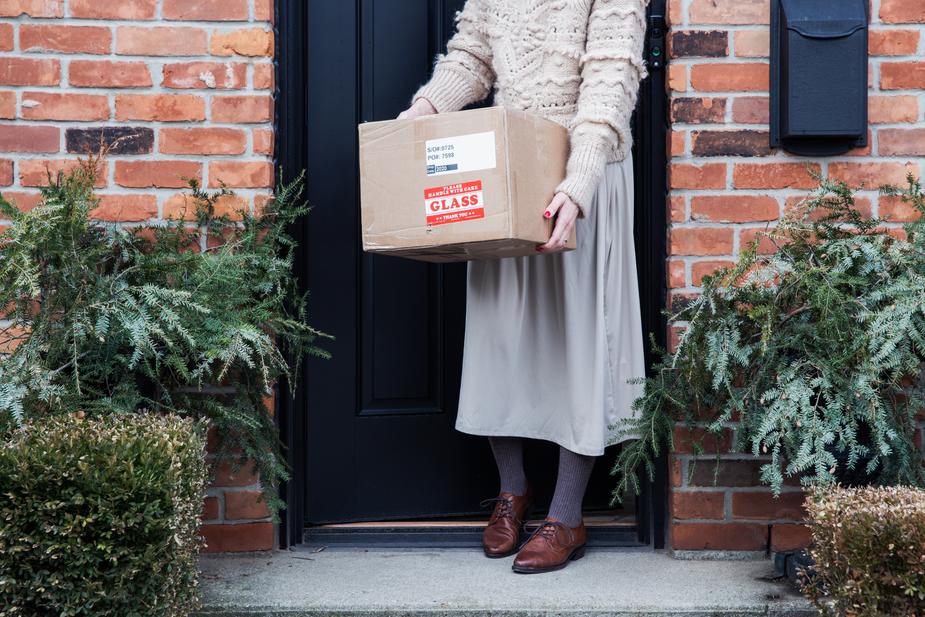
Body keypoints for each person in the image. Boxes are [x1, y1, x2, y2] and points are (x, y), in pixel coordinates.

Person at [398, 0, 649, 574]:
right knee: (499, 336)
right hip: (506, 169)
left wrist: (579, 181)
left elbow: (610, 79)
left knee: (581, 339)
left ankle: (566, 514)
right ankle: (513, 491)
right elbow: (473, 55)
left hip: (584, 173)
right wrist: (425, 107)